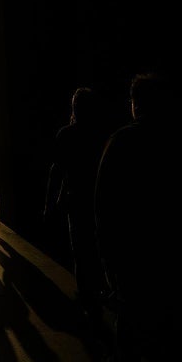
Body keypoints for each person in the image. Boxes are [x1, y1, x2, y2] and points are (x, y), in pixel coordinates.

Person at [94, 72, 182, 362]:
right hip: (172, 244)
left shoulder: (122, 140)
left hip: (132, 247)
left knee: (129, 314)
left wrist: (106, 252)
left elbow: (104, 201)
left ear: (136, 104)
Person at [43, 87, 111, 327]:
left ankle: (88, 300)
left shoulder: (67, 134)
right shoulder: (104, 133)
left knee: (81, 252)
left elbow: (56, 171)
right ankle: (105, 291)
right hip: (102, 200)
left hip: (76, 200)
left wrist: (50, 202)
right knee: (104, 250)